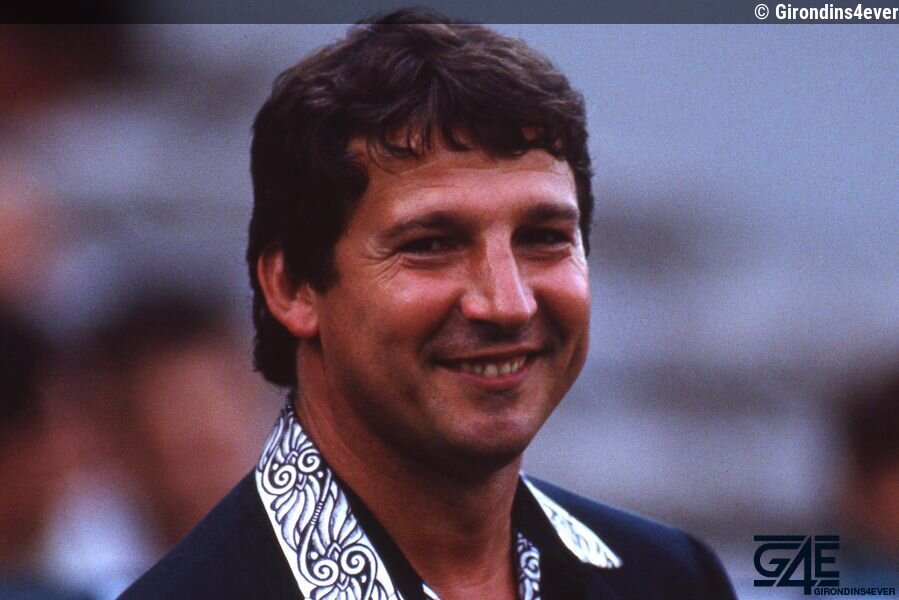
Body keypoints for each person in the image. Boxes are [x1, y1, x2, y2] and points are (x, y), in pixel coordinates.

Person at [122, 11, 736, 599]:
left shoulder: (672, 578)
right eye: (432, 245)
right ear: (292, 288)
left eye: (544, 237)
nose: (509, 304)